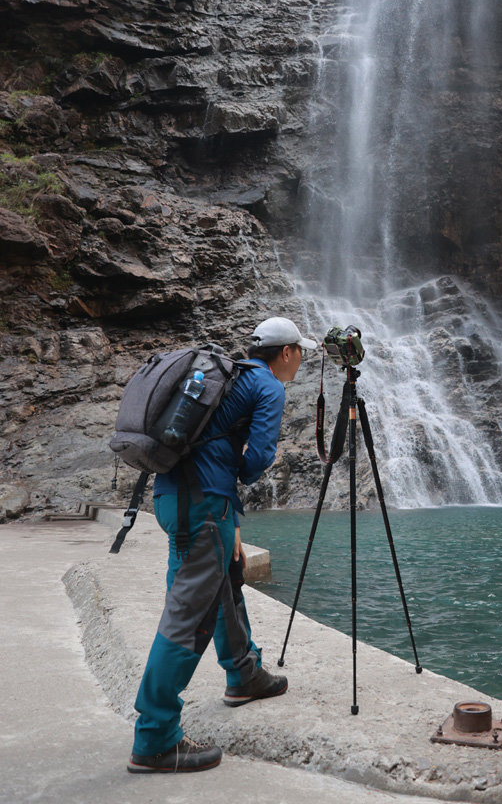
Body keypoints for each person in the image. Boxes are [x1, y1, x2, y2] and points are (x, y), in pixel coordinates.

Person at [127, 316, 317, 774]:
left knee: (223, 585)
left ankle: (244, 674)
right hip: (204, 504)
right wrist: (231, 492)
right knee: (188, 614)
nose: (301, 361)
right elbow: (258, 458)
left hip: (174, 497)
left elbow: (207, 448)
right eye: (300, 353)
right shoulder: (268, 385)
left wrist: (229, 512)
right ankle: (154, 737)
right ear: (286, 353)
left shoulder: (227, 376)